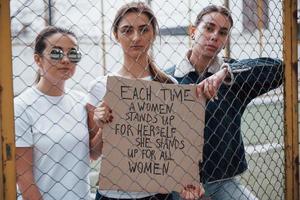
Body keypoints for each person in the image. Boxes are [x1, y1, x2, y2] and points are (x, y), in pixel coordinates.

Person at [86, 2, 230, 200]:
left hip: (157, 194)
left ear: (153, 34)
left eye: (143, 30)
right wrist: (104, 127)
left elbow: (173, 145)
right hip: (112, 194)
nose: (136, 37)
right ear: (116, 35)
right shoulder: (100, 86)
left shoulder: (169, 85)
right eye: (127, 30)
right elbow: (93, 153)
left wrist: (188, 182)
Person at [166, 5, 283, 200]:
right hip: (177, 185)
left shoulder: (233, 78)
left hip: (222, 182)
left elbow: (279, 69)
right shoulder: (168, 79)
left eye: (222, 32)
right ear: (193, 32)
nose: (214, 36)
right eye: (209, 28)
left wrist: (226, 73)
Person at [14, 26, 102, 200]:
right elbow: (24, 177)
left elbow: (94, 153)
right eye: (56, 53)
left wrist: (105, 127)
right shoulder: (22, 106)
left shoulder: (82, 101)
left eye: (73, 54)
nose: (65, 60)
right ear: (38, 60)